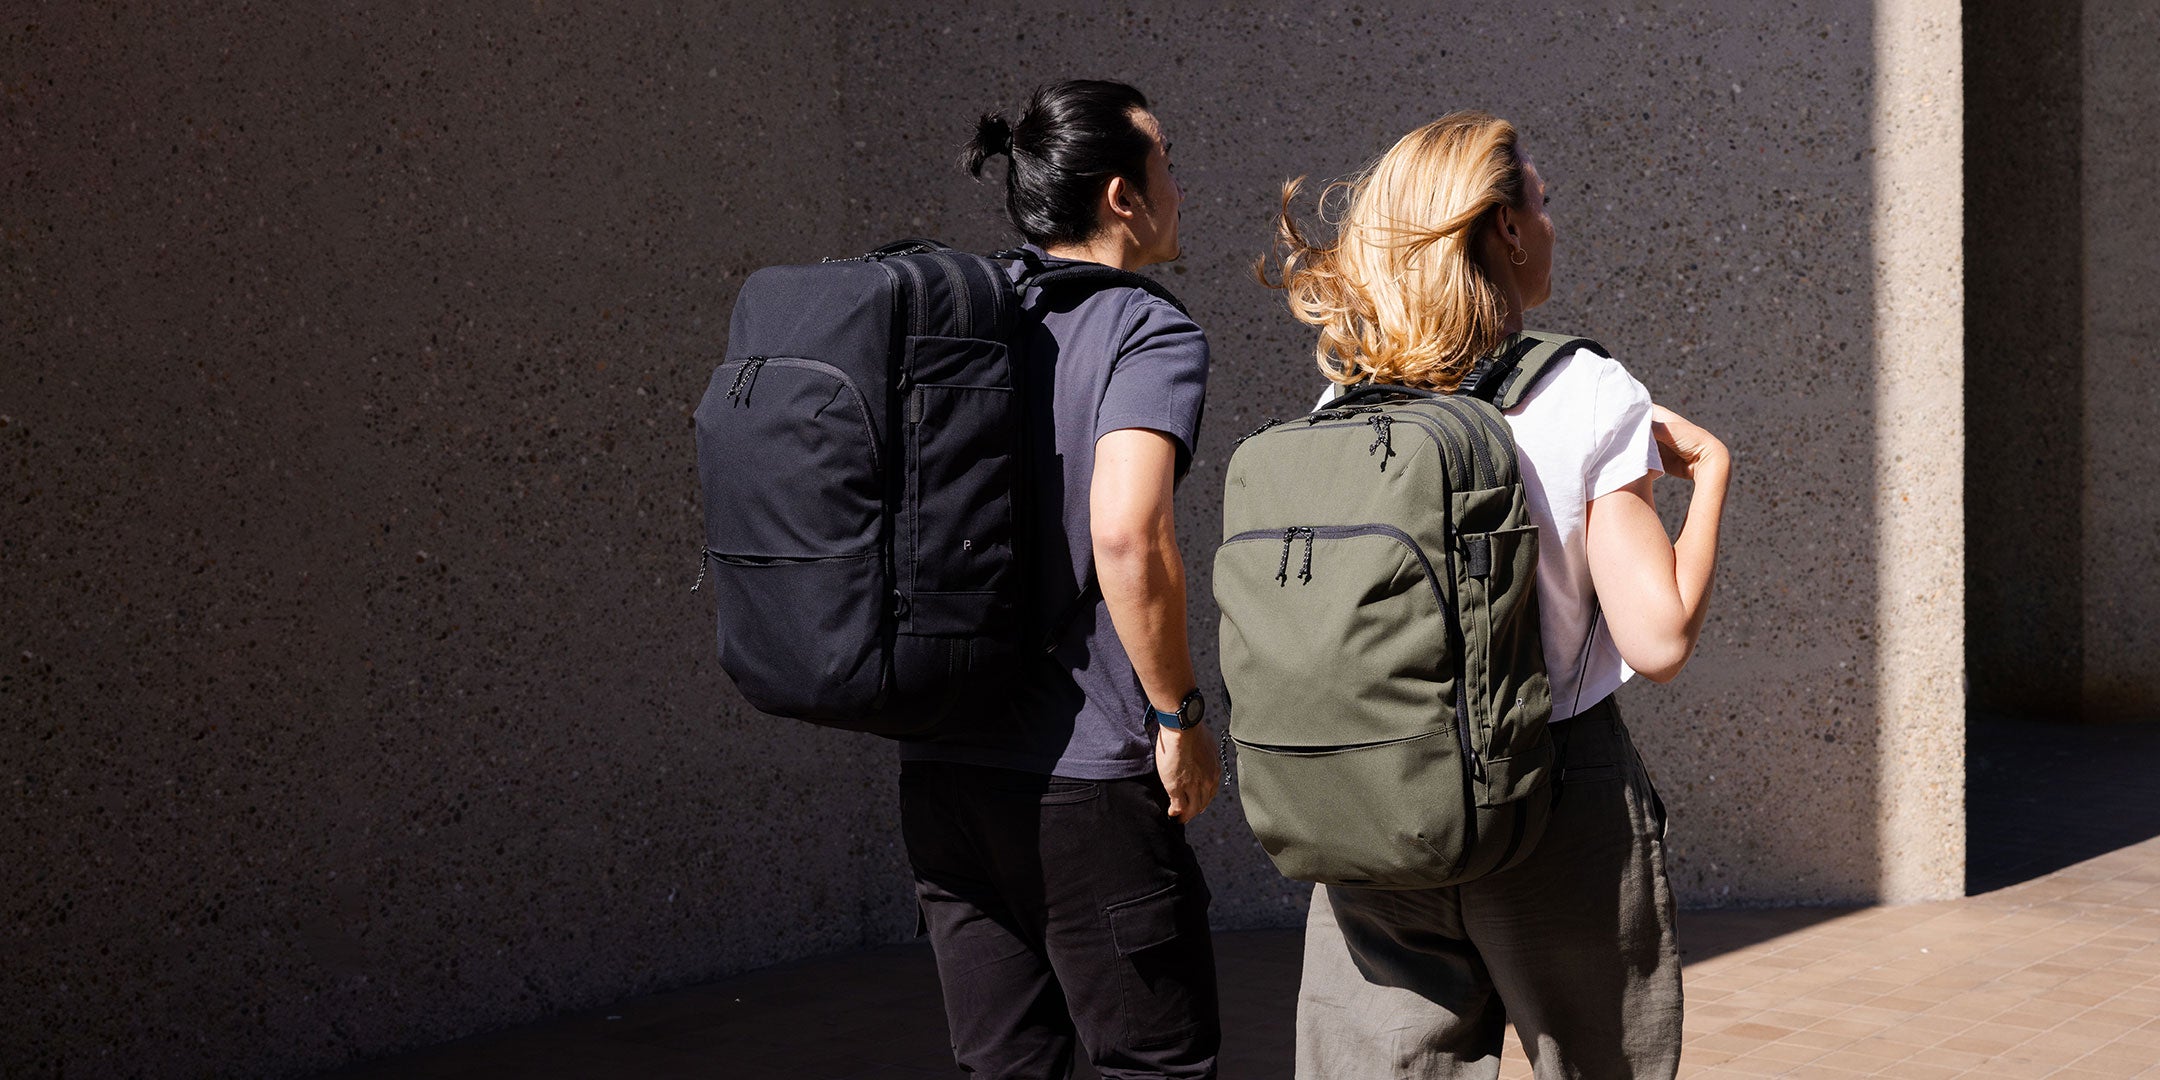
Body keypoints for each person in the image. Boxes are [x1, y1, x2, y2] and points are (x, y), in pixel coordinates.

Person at [1263, 111, 1731, 1079]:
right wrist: (1713, 470)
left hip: (1372, 804)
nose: (1555, 224)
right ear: (1506, 230)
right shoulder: (1588, 392)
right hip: (1553, 800)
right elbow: (1660, 637)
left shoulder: (1341, 406)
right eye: (1544, 203)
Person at [896, 79, 1222, 1079]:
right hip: (1085, 782)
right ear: (1124, 195)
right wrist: (1179, 716)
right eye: (1164, 160)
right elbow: (1127, 537)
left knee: (1007, 1065)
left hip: (943, 766)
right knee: (1153, 1063)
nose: (1177, 182)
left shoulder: (964, 320)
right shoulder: (1143, 329)